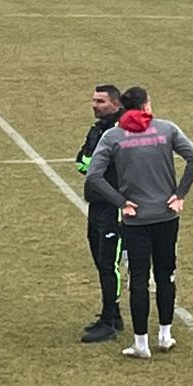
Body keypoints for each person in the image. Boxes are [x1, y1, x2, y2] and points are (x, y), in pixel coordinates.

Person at [85, 86, 193, 360]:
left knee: (138, 279)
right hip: (166, 216)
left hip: (135, 220)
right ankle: (165, 335)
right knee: (166, 274)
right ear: (147, 106)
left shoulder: (113, 136)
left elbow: (94, 175)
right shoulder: (166, 130)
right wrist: (180, 194)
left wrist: (121, 202)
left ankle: (141, 344)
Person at [76, 85, 125, 343]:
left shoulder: (122, 132)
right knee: (99, 257)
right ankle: (113, 313)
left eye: (100, 101)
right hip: (97, 202)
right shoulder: (97, 129)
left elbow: (101, 164)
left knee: (109, 263)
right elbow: (81, 161)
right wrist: (93, 166)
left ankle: (109, 321)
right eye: (94, 100)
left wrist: (94, 166)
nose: (94, 105)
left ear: (115, 104)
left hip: (113, 205)